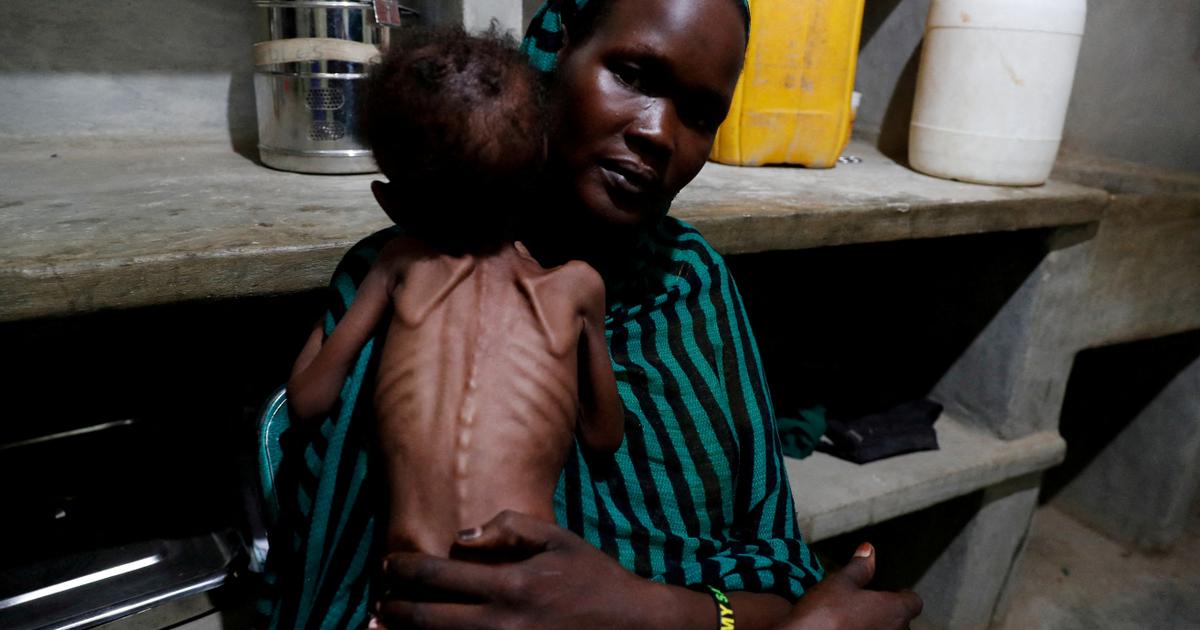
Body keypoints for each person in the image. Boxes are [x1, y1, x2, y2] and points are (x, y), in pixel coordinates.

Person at [258, 1, 924, 628]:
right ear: (555, 53)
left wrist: (644, 611)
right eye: (633, 74)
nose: (659, 133)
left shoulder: (689, 284)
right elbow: (336, 586)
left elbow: (774, 571)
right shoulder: (397, 274)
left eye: (700, 114)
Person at [284, 27, 625, 559]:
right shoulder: (577, 287)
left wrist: (327, 319)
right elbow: (604, 437)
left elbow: (307, 399)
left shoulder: (398, 265)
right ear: (539, 174)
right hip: (525, 584)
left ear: (391, 205)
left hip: (411, 584)